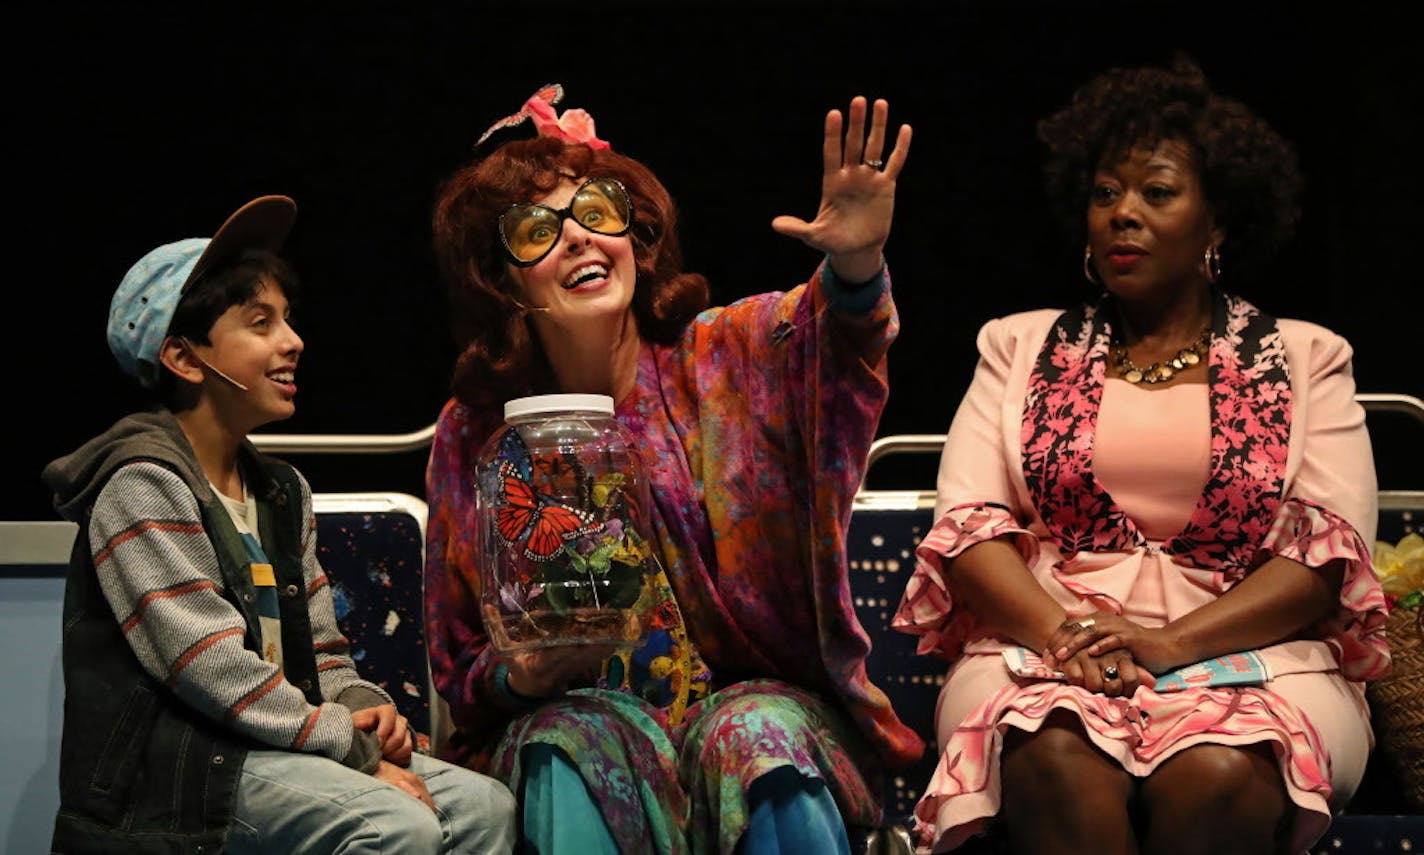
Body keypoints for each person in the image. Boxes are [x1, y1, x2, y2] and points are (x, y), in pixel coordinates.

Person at [892, 55, 1389, 855]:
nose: (1123, 213)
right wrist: (1067, 639)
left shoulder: (1306, 357)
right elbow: (971, 533)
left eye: (1156, 192)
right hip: (1045, 644)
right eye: (1105, 194)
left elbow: (1322, 557)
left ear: (1218, 219)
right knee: (1053, 753)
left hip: (1257, 655)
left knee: (1219, 772)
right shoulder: (1019, 346)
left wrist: (1166, 645)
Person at [423, 84, 924, 854]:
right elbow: (463, 660)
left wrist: (856, 265)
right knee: (571, 743)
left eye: (597, 214)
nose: (580, 240)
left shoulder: (723, 354)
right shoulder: (476, 432)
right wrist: (524, 675)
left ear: (636, 237)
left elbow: (833, 338)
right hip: (580, 715)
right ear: (503, 278)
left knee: (754, 734)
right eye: (539, 230)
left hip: (748, 696)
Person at [41, 196, 517, 853]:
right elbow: (210, 666)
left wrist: (359, 702)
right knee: (391, 821)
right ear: (184, 358)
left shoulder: (281, 491)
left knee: (483, 805)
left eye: (287, 320)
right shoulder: (140, 484)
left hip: (271, 749)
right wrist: (348, 743)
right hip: (184, 776)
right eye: (259, 323)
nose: (293, 341)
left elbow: (320, 650)